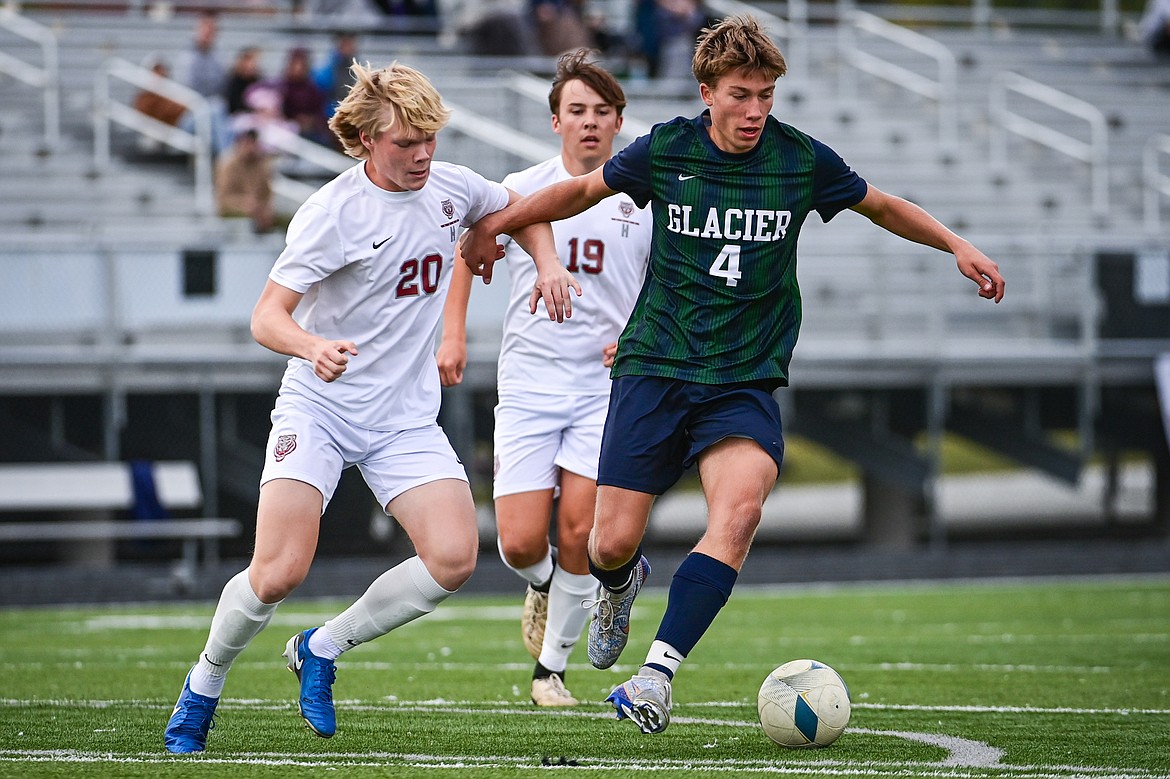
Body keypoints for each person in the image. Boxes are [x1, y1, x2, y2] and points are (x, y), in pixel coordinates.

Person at [460, 14, 1005, 735]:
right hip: (653, 368)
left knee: (741, 512)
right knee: (606, 544)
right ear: (707, 91)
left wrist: (955, 245)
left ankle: (656, 674)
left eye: (767, 95)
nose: (755, 111)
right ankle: (620, 584)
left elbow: (881, 205)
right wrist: (497, 225)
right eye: (742, 94)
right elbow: (580, 194)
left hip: (743, 378)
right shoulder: (668, 149)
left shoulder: (799, 160)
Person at [162, 60, 573, 754]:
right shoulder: (332, 212)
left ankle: (320, 648)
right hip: (318, 408)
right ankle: (204, 681)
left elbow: (520, 208)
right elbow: (267, 318)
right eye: (404, 142)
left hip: (401, 418)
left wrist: (549, 260)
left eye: (429, 140)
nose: (420, 155)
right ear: (362, 139)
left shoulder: (448, 186)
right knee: (277, 572)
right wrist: (310, 344)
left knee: (453, 556)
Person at [437, 49, 651, 707]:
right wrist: (452, 333)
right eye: (576, 111)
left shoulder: (646, 200)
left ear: (618, 122)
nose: (590, 122)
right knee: (520, 543)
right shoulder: (522, 189)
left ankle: (549, 671)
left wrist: (636, 337)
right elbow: (470, 253)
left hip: (602, 387)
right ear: (555, 119)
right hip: (529, 382)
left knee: (580, 531)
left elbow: (666, 285)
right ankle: (549, 583)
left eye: (602, 112)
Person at [215, 128, 275, 233]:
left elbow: (267, 193)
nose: (251, 148)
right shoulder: (227, 166)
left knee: (287, 218)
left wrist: (264, 208)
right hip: (231, 210)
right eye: (247, 143)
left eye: (253, 143)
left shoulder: (261, 166)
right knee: (248, 218)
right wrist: (244, 203)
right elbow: (223, 198)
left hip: (258, 210)